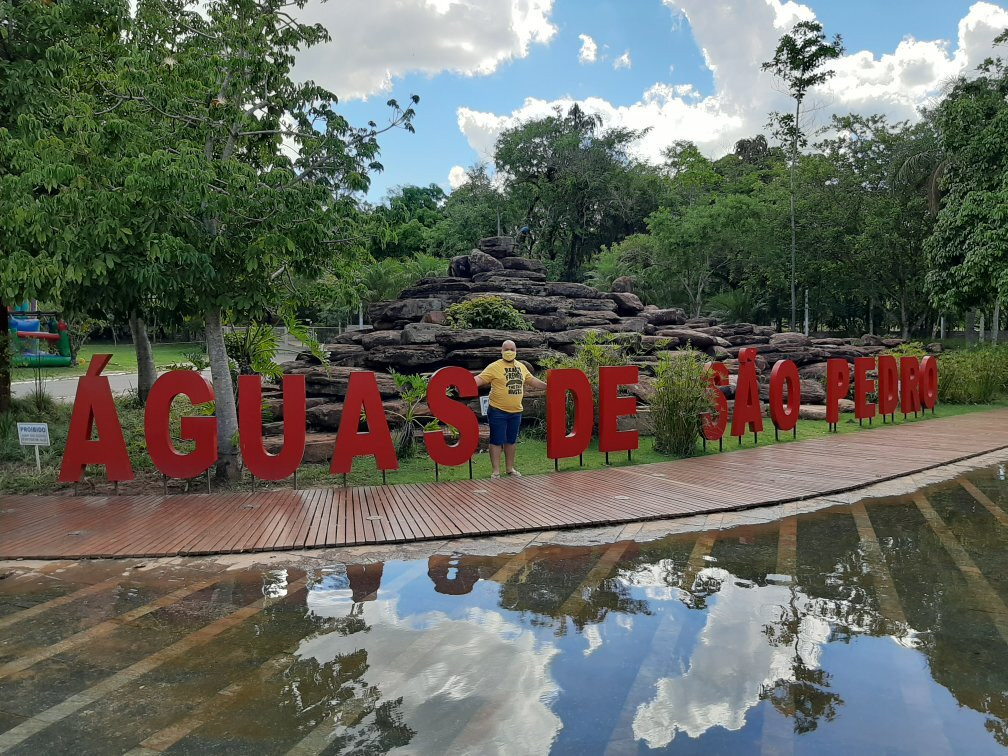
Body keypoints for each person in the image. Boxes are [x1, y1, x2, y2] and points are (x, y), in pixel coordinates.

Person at [475, 340, 547, 479]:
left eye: (512, 349)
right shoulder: (494, 367)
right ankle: (496, 471)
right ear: (501, 351)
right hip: (497, 410)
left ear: (516, 351)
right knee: (496, 440)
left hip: (516, 411)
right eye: (506, 349)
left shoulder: (521, 367)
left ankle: (510, 469)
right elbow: (479, 379)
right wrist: (462, 382)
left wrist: (548, 385)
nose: (509, 351)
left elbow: (531, 380)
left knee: (511, 440)